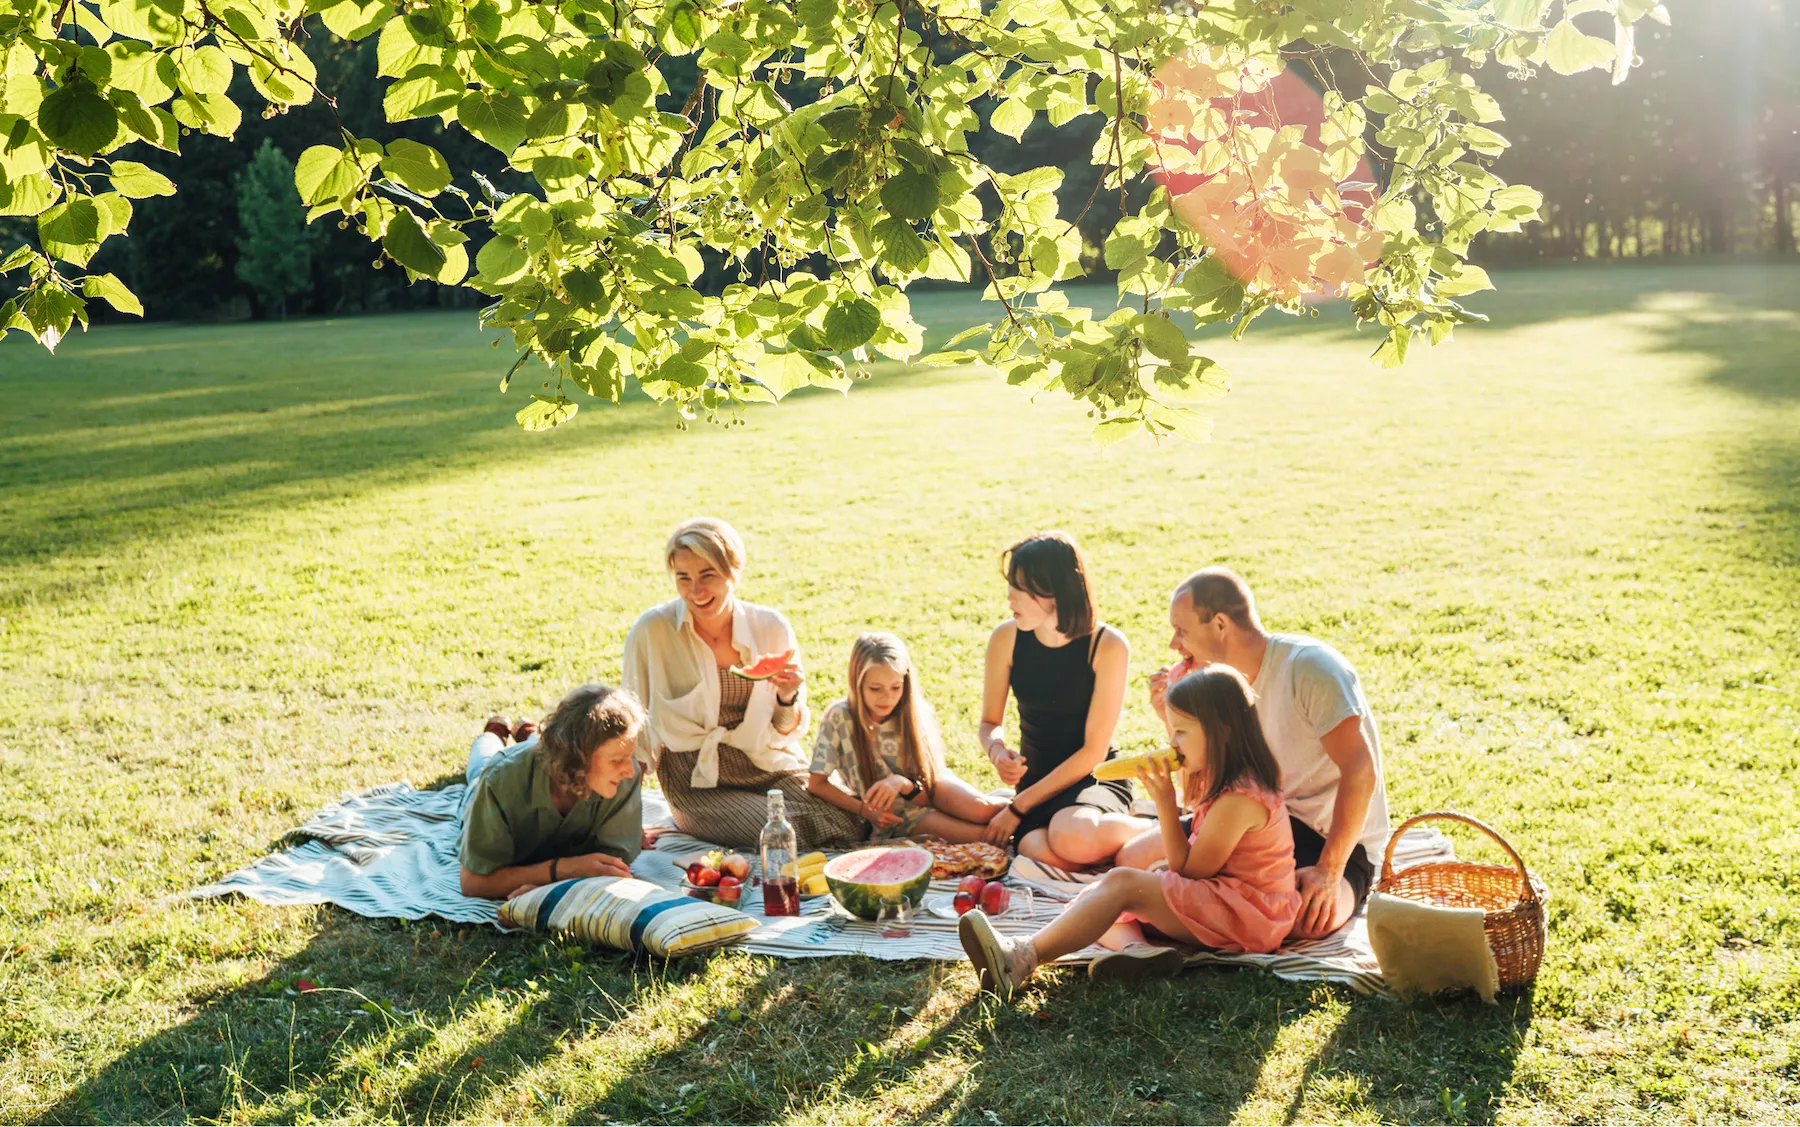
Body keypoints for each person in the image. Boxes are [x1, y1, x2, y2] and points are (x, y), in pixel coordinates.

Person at [959, 665, 1301, 997]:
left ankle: (1020, 958)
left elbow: (1191, 872)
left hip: (1251, 916)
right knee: (1102, 897)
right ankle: (1137, 951)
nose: (1172, 740)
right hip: (1232, 902)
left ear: (1222, 732)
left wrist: (1165, 805)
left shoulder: (1241, 798)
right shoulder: (1221, 773)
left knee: (1123, 884)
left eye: (1182, 731)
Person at [1117, 567, 1389, 940]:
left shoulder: (1310, 668)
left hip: (1330, 836)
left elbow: (1361, 770)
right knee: (1131, 859)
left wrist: (1329, 871)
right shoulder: (1221, 692)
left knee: (1302, 923)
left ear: (1220, 624)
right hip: (1255, 821)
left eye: (1182, 631)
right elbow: (1199, 794)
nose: (1174, 646)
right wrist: (1173, 721)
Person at [622, 517, 861, 849]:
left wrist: (787, 698)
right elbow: (634, 731)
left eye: (708, 575)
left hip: (765, 761)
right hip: (697, 780)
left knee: (850, 817)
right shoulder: (652, 631)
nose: (696, 591)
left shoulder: (771, 626)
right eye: (683, 578)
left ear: (733, 571)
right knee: (777, 832)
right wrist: (623, 817)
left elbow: (787, 728)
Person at [977, 532, 1151, 869]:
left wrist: (1016, 809)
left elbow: (1093, 752)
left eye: (1018, 587)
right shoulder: (1006, 638)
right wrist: (997, 752)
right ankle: (1129, 853)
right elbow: (989, 723)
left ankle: (1173, 832)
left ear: (1053, 590)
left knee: (1070, 836)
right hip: (1036, 783)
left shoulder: (1108, 645)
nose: (1008, 596)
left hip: (1093, 776)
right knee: (1035, 850)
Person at [807, 632, 1007, 843]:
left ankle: (1032, 806)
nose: (888, 698)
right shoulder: (839, 717)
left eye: (896, 687)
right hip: (903, 814)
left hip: (931, 786)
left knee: (984, 810)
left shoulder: (911, 713)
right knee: (986, 836)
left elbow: (926, 791)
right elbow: (816, 783)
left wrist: (900, 782)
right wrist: (865, 810)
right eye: (875, 689)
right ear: (857, 684)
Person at [458, 683, 648, 901]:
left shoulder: (622, 779)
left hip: (549, 754)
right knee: (480, 769)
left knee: (537, 748)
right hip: (494, 775)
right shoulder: (500, 780)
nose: (631, 771)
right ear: (578, 758)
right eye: (617, 760)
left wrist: (549, 889)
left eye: (629, 756)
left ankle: (528, 733)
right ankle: (493, 733)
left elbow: (609, 870)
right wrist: (559, 871)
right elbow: (473, 882)